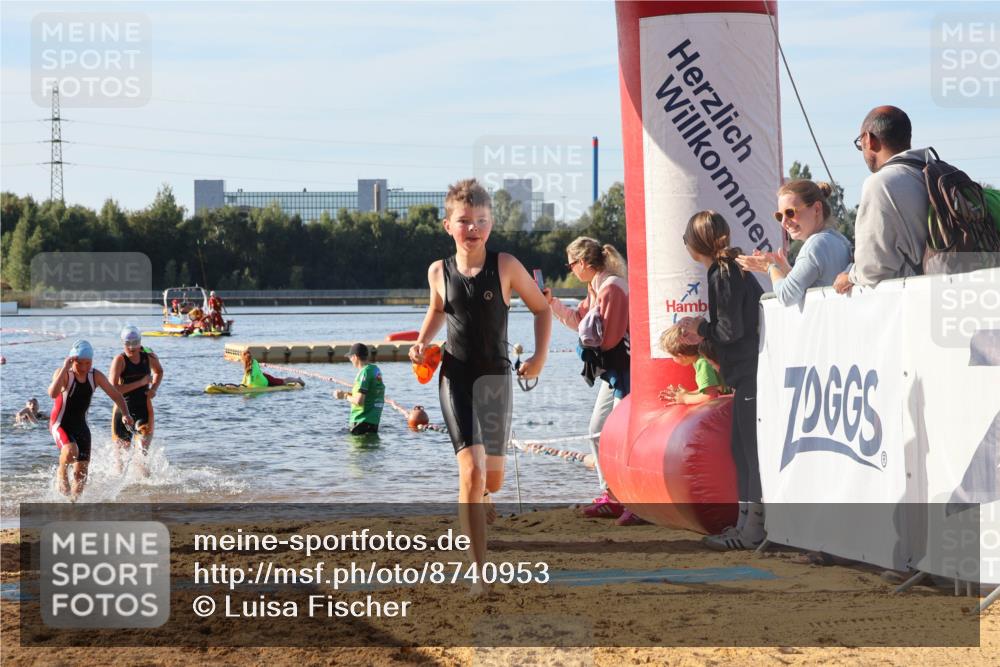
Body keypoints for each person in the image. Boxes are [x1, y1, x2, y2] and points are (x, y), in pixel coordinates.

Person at [408, 178, 551, 594]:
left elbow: (541, 309)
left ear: (491, 224)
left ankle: (486, 496)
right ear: (447, 225)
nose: (473, 228)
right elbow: (438, 309)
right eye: (464, 220)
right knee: (470, 472)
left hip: (495, 380)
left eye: (482, 220)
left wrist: (540, 358)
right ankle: (479, 573)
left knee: (493, 482)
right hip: (454, 376)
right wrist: (422, 341)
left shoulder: (505, 266)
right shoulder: (438, 271)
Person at [676, 210, 765, 550]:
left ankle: (752, 530)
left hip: (750, 372)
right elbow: (733, 329)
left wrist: (701, 328)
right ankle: (745, 525)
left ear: (694, 244)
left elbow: (729, 330)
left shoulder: (723, 272)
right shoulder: (730, 268)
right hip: (748, 371)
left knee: (749, 452)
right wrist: (703, 335)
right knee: (740, 450)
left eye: (685, 239)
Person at [541, 237, 632, 522]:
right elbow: (580, 320)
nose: (570, 270)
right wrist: (551, 303)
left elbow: (610, 339)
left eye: (570, 265)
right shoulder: (596, 287)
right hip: (613, 371)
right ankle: (612, 495)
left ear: (582, 262)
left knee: (620, 434)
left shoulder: (612, 287)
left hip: (627, 370)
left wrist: (586, 347)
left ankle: (632, 501)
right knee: (597, 431)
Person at [833, 106, 930, 294]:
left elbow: (872, 266)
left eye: (860, 144)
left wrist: (850, 277)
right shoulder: (932, 171)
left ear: (868, 139)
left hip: (917, 298)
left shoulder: (880, 183)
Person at [737, 180, 852, 305]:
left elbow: (786, 296)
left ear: (817, 209)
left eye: (790, 213)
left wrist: (771, 267)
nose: (783, 222)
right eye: (779, 216)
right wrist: (786, 270)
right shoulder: (841, 241)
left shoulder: (814, 246)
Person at [47, 340, 133, 501]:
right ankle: (61, 471)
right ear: (72, 360)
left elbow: (116, 395)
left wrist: (126, 414)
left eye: (88, 363)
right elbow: (52, 394)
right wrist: (65, 368)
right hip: (60, 424)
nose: (84, 367)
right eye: (80, 363)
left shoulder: (95, 376)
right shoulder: (64, 374)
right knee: (71, 451)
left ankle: (74, 504)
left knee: (81, 473)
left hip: (80, 426)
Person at [109, 326, 163, 476]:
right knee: (121, 459)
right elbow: (113, 389)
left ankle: (144, 484)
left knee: (142, 452)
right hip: (122, 409)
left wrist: (154, 389)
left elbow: (159, 371)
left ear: (140, 342)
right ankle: (118, 483)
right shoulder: (120, 360)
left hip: (143, 409)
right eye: (128, 344)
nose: (132, 347)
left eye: (135, 343)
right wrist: (141, 383)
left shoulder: (149, 356)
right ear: (123, 343)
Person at [658, 324, 727, 405]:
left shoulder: (702, 363)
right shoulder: (700, 358)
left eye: (672, 356)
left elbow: (710, 395)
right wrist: (688, 394)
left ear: (681, 356)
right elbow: (709, 388)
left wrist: (685, 399)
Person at [333, 343, 385, 435]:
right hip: (373, 421)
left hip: (361, 421)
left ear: (355, 357)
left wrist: (344, 396)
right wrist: (347, 394)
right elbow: (370, 394)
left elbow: (359, 401)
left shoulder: (364, 373)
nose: (350, 360)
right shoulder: (375, 370)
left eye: (350, 357)